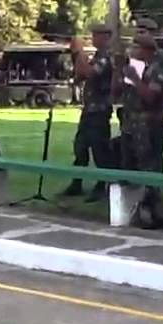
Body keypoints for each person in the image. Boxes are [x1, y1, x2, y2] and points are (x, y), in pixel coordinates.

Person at [119, 32, 163, 227]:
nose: (133, 50)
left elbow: (151, 96)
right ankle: (132, 208)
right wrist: (121, 72)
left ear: (146, 50)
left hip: (148, 126)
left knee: (149, 166)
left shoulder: (156, 70)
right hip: (131, 123)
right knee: (129, 164)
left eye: (136, 47)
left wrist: (135, 79)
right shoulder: (136, 68)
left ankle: (152, 208)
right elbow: (118, 92)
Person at [63, 23, 114, 200]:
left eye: (97, 35)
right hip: (89, 109)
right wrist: (77, 57)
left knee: (100, 150)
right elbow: (80, 75)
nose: (93, 38)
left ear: (106, 37)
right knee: (80, 147)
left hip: (100, 110)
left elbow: (90, 73)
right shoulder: (97, 56)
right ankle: (77, 182)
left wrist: (79, 53)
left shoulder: (107, 56)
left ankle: (103, 185)